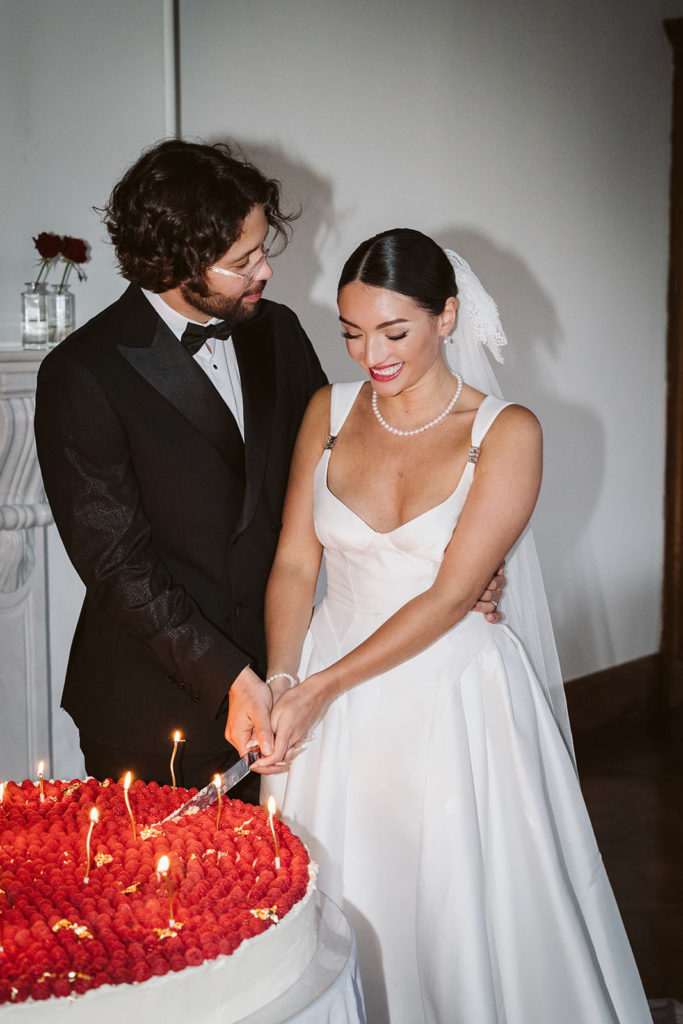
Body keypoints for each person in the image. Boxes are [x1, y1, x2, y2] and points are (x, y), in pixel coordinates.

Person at [253, 229, 652, 1023]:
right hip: (325, 675)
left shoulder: (506, 432)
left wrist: (320, 689)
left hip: (450, 692)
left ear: (447, 316)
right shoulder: (326, 412)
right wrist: (282, 679)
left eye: (394, 331)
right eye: (352, 332)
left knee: (454, 910)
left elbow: (449, 596)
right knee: (332, 898)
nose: (372, 354)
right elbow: (297, 563)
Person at [34, 140, 504, 796]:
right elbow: (118, 567)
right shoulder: (82, 372)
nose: (265, 271)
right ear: (177, 263)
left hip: (291, 685)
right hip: (151, 705)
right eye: (241, 260)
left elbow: (342, 481)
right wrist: (232, 678)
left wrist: (450, 566)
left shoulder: (276, 332)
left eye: (261, 249)